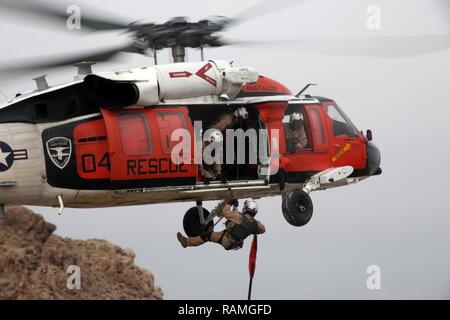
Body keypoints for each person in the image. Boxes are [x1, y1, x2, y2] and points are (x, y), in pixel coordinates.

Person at [177, 199, 266, 250]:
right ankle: (190, 240)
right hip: (233, 243)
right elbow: (263, 229)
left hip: (227, 239)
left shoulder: (239, 216)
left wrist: (230, 203)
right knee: (210, 233)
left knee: (206, 236)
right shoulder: (255, 224)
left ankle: (186, 242)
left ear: (247, 207)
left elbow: (225, 211)